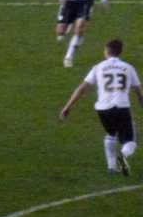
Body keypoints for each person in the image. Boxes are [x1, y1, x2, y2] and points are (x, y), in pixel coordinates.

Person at [59, 39, 142, 175]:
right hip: (122, 106)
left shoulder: (98, 67)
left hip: (103, 109)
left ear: (106, 51)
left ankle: (111, 167)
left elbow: (81, 89)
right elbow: (139, 92)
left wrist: (67, 107)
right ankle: (123, 156)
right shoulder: (128, 68)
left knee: (111, 134)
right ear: (120, 52)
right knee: (130, 141)